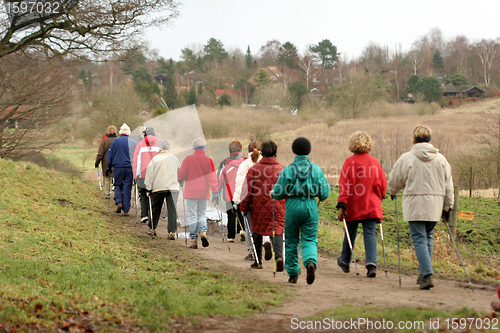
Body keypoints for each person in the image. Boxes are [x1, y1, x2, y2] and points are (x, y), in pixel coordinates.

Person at [388, 125, 454, 290]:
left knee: (419, 239)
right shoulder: (441, 160)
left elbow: (396, 178)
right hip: (435, 206)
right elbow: (449, 185)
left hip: (415, 205)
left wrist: (392, 191)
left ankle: (426, 274)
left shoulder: (407, 158)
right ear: (430, 140)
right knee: (428, 237)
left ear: (414, 139)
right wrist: (448, 207)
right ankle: (425, 272)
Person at [272, 137, 330, 285]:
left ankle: (293, 273)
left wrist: (273, 194)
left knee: (291, 240)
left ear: (294, 150)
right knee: (309, 239)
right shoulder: (316, 170)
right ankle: (310, 262)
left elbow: (279, 192)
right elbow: (324, 193)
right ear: (308, 151)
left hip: (292, 205)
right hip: (311, 205)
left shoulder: (288, 170)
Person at [336, 132, 387, 278]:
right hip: (371, 204)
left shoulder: (349, 162)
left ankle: (345, 261)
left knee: (350, 232)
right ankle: (371, 264)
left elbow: (344, 185)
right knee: (370, 233)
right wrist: (380, 196)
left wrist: (342, 203)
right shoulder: (375, 162)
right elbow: (382, 184)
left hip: (353, 204)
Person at [240, 141, 285, 270]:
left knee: (257, 231)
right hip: (278, 205)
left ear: (262, 152)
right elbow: (287, 189)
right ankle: (279, 257)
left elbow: (247, 192)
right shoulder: (282, 169)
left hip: (257, 206)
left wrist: (244, 207)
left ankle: (257, 261)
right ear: (275, 152)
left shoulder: (254, 169)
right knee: (276, 230)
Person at [233, 142, 272, 261]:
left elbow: (240, 184)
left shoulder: (244, 164)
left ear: (248, 150)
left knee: (249, 227)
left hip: (250, 200)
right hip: (265, 200)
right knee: (264, 223)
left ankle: (252, 252)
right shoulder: (266, 163)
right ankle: (265, 241)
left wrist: (236, 201)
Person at [178, 138, 218, 249]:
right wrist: (215, 191)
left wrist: (180, 180)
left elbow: (181, 175)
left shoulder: (188, 159)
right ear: (203, 147)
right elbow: (212, 178)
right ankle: (203, 232)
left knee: (191, 215)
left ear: (194, 147)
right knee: (201, 213)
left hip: (190, 191)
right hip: (203, 191)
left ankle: (193, 240)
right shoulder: (208, 160)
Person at [144, 139, 180, 239]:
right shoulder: (175, 158)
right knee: (172, 209)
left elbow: (149, 175)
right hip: (173, 188)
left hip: (158, 187)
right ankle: (172, 232)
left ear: (159, 148)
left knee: (155, 208)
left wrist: (148, 188)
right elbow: (179, 172)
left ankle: (152, 228)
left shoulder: (155, 159)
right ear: (169, 147)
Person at [216, 141, 246, 242]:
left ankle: (231, 236)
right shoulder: (245, 161)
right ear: (240, 149)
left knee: (231, 214)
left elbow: (220, 178)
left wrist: (218, 189)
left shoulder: (224, 162)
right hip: (243, 192)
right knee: (242, 212)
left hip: (229, 193)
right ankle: (242, 230)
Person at [107, 123, 137, 216]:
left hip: (118, 167)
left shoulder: (115, 141)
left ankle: (119, 202)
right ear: (128, 133)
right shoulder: (133, 142)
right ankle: (126, 210)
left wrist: (109, 166)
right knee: (127, 188)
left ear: (120, 132)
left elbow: (110, 155)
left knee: (117, 185)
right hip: (130, 168)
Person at [133, 127, 160, 224]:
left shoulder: (140, 145)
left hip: (143, 174)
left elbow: (137, 161)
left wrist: (136, 175)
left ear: (144, 135)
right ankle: (153, 215)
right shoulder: (159, 145)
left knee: (143, 194)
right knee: (153, 194)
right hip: (155, 174)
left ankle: (144, 215)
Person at [95, 125, 117, 193]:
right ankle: (116, 192)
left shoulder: (104, 141)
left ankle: (108, 192)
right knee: (116, 177)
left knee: (107, 178)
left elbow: (100, 153)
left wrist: (97, 162)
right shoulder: (118, 140)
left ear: (108, 132)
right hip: (117, 162)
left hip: (106, 162)